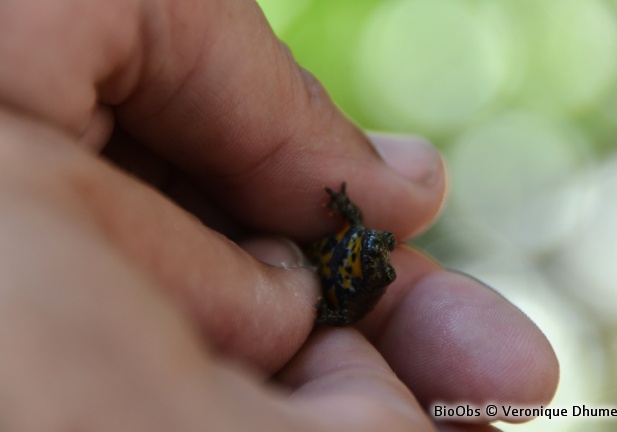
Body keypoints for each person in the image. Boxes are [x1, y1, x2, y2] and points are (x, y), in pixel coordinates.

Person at [0, 0, 558, 430]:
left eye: (380, 256)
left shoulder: (363, 278)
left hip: (317, 294)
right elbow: (350, 224)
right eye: (376, 246)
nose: (378, 254)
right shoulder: (357, 240)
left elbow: (356, 283)